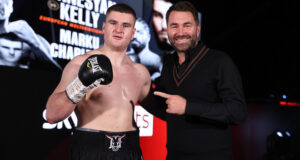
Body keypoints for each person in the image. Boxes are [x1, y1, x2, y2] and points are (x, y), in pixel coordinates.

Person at [140, 1, 247, 160]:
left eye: (187, 25)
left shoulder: (219, 61)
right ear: (168, 29)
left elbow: (238, 112)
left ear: (198, 29)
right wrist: (138, 94)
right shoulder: (168, 64)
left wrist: (188, 107)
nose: (180, 32)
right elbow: (167, 109)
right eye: (174, 26)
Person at [45, 3, 151, 160]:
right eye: (113, 23)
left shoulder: (141, 72)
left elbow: (162, 110)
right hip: (90, 150)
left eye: (126, 25)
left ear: (133, 32)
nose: (119, 30)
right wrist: (81, 83)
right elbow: (52, 115)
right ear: (104, 26)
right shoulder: (80, 64)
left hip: (130, 150)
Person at [0, 0, 61, 70]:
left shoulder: (34, 39)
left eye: (5, 2)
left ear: (11, 8)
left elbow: (57, 73)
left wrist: (35, 43)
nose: (1, 6)